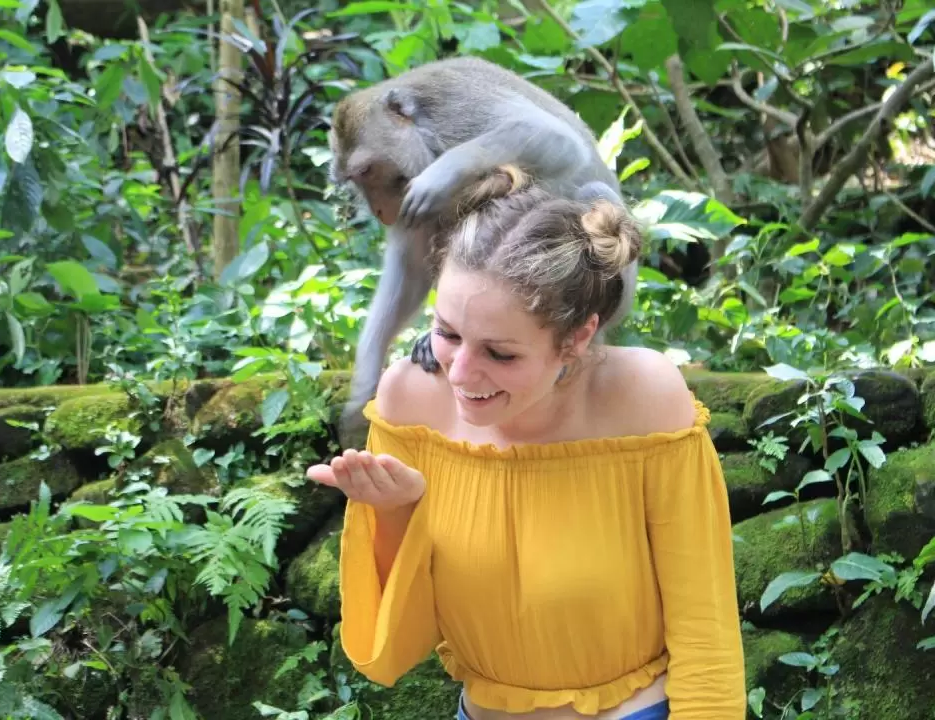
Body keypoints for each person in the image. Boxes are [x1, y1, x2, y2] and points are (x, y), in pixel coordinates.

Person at [306, 165, 746, 720]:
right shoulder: (411, 401)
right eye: (446, 333)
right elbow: (396, 651)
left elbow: (705, 628)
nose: (462, 373)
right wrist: (397, 514)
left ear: (577, 337)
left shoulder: (643, 398)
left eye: (500, 353)